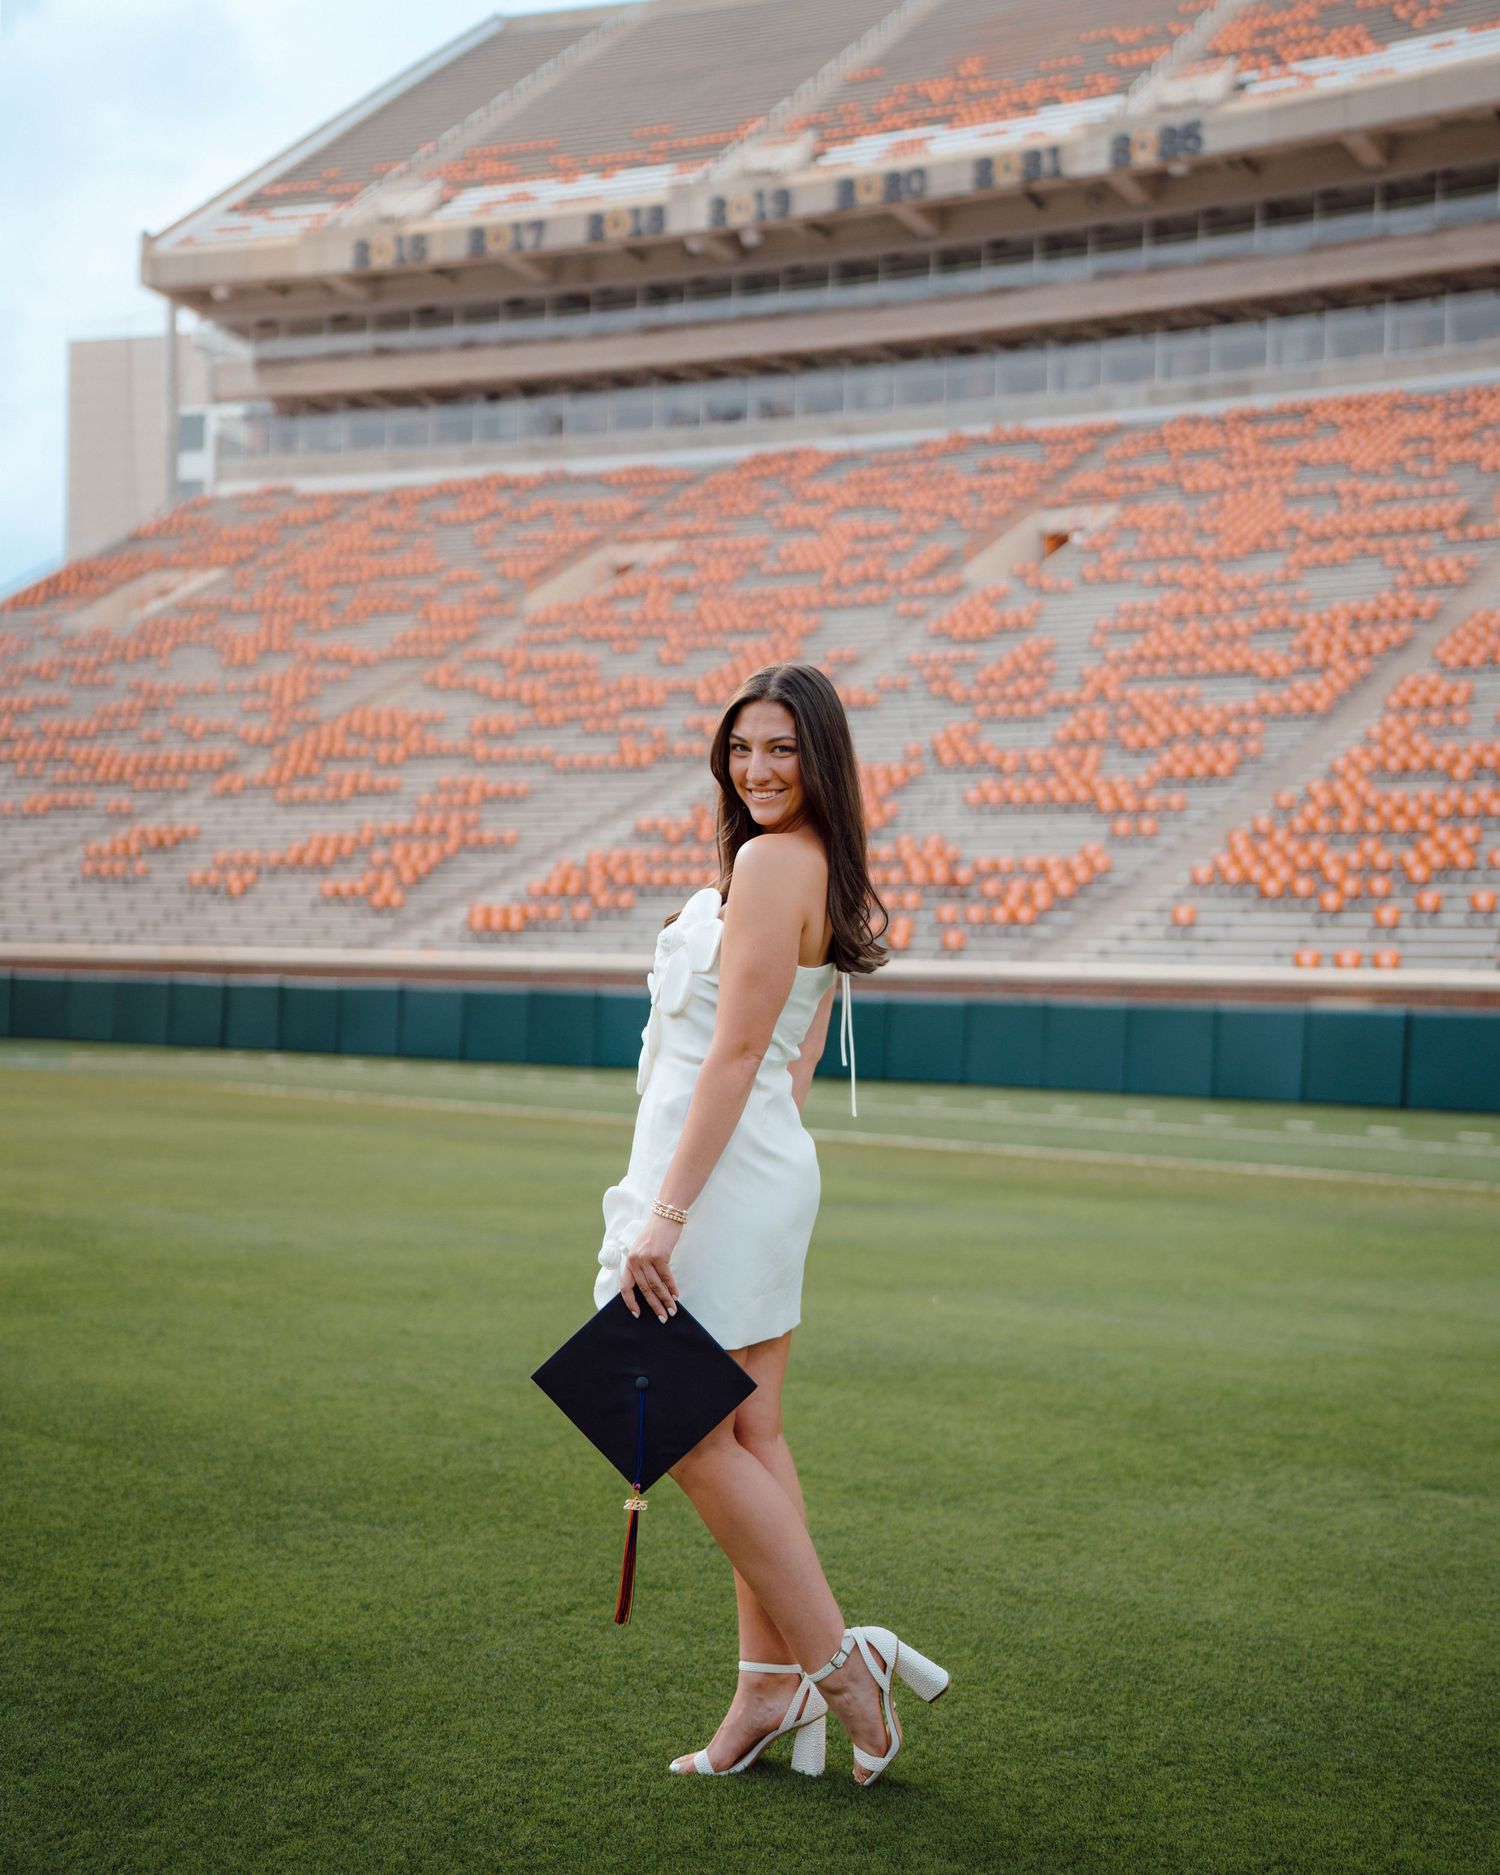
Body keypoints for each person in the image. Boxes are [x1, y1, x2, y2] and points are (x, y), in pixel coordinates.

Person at [593, 661, 950, 1787]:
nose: (757, 769)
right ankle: (764, 1688)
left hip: (711, 1179)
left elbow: (745, 1056)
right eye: (742, 749)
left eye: (783, 750)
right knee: (747, 1435)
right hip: (756, 1165)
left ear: (822, 759)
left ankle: (839, 1666)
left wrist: (670, 1211)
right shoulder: (819, 868)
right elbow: (789, 1072)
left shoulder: (769, 861)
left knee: (681, 1429)